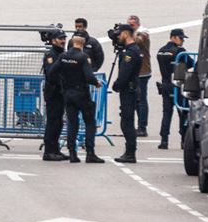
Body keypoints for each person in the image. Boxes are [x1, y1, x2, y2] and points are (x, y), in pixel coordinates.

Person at [58, 34, 104, 163]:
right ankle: (90, 153)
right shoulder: (83, 57)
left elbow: (53, 71)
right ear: (83, 45)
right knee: (90, 122)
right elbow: (89, 76)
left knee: (72, 123)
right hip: (81, 93)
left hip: (68, 93)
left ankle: (72, 153)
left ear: (72, 43)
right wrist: (96, 83)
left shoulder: (63, 56)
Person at [111, 24, 142, 163]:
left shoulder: (130, 52)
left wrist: (117, 85)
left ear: (125, 33)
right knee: (126, 121)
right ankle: (129, 152)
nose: (118, 37)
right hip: (131, 89)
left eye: (119, 34)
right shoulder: (132, 50)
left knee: (127, 122)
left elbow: (125, 73)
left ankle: (130, 153)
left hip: (128, 90)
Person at [155, 28, 189, 149]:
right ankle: (184, 140)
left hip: (165, 85)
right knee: (183, 112)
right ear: (173, 37)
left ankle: (164, 140)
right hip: (178, 86)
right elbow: (190, 64)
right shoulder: (180, 52)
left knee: (167, 113)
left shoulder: (161, 51)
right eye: (181, 38)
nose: (183, 41)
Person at [41, 29, 69, 161]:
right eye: (60, 39)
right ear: (53, 41)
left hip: (61, 92)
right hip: (53, 92)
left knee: (59, 122)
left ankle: (56, 149)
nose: (63, 41)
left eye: (64, 38)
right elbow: (51, 74)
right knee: (52, 122)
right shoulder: (51, 55)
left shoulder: (62, 54)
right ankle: (48, 151)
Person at [134, 28, 153, 138]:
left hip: (142, 73)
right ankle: (140, 125)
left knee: (141, 100)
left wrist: (129, 34)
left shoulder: (143, 34)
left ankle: (142, 126)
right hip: (137, 73)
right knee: (137, 101)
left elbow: (139, 40)